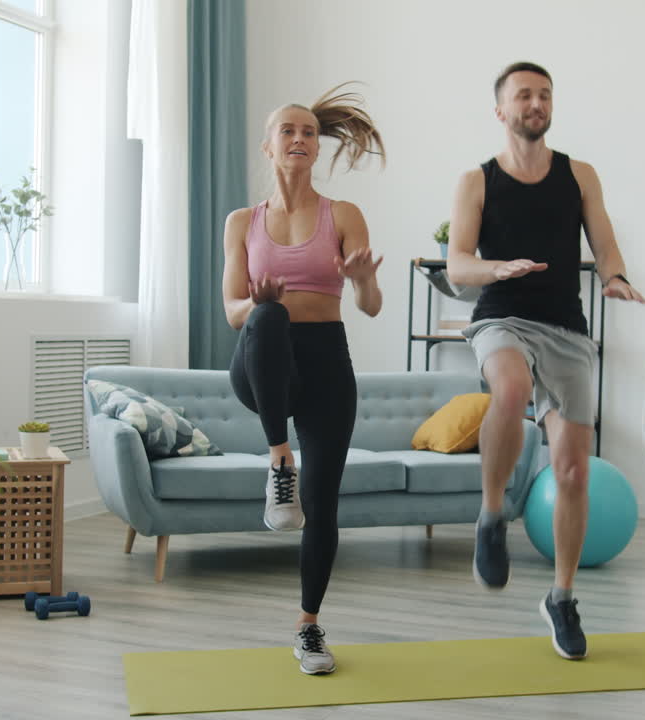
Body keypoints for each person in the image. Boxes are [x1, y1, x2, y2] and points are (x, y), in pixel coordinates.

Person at [446, 62, 645, 660]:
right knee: (509, 391)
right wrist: (497, 269)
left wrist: (613, 275)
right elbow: (457, 264)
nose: (536, 103)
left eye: (544, 95)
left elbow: (604, 242)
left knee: (572, 473)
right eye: (523, 95)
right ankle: (490, 517)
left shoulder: (579, 175)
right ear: (501, 110)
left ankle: (561, 597)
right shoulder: (477, 181)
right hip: (501, 315)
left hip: (566, 330)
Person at [221, 83, 385, 675]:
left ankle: (309, 626)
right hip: (262, 361)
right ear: (268, 147)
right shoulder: (243, 222)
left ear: (317, 149)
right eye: (287, 131)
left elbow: (369, 306)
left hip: (325, 361)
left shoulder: (343, 215)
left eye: (308, 132)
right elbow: (232, 310)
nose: (299, 138)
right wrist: (259, 301)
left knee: (322, 503)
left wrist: (362, 278)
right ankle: (277, 460)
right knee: (266, 314)